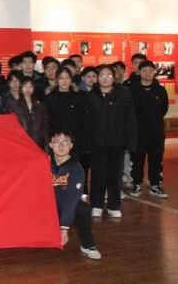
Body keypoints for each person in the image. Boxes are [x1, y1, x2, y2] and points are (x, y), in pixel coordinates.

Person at [85, 64, 137, 219]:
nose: (105, 78)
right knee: (98, 174)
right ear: (97, 78)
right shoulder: (91, 96)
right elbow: (86, 122)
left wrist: (130, 142)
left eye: (108, 75)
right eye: (102, 75)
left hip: (117, 142)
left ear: (114, 78)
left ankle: (114, 205)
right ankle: (97, 204)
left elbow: (130, 119)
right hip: (97, 142)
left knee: (114, 175)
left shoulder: (124, 94)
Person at [49, 130, 101, 260]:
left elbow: (71, 199)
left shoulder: (76, 168)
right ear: (50, 145)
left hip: (65, 206)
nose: (61, 146)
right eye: (57, 142)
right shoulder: (44, 163)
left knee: (83, 209)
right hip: (46, 205)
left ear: (71, 145)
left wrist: (64, 228)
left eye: (65, 142)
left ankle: (87, 244)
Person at [44, 68, 89, 194]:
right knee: (58, 170)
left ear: (71, 80)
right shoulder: (50, 98)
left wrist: (82, 140)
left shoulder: (79, 97)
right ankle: (57, 195)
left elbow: (83, 121)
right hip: (56, 141)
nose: (64, 81)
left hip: (75, 141)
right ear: (56, 80)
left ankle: (80, 195)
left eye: (67, 78)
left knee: (75, 169)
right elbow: (47, 121)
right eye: (61, 78)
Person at [130, 60, 169, 198]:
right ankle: (136, 184)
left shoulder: (160, 90)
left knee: (156, 160)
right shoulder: (132, 90)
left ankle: (155, 185)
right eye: (144, 71)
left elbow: (164, 109)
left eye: (150, 71)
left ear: (154, 72)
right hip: (138, 133)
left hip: (156, 132)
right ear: (139, 72)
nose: (147, 73)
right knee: (137, 160)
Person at [14, 77, 49, 150]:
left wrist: (46, 146)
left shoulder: (40, 106)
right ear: (20, 87)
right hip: (22, 143)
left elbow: (45, 127)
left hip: (39, 143)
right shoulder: (15, 106)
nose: (28, 89)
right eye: (25, 86)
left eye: (31, 86)